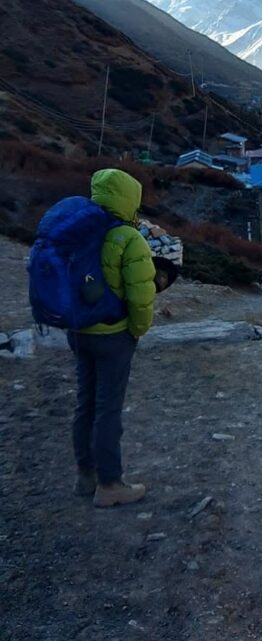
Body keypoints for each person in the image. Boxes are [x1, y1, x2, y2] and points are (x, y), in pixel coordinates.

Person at [68, 169, 156, 508]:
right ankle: (110, 485)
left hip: (78, 331)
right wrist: (137, 328)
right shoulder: (128, 237)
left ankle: (85, 476)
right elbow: (140, 295)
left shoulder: (75, 232)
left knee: (84, 402)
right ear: (128, 198)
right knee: (108, 408)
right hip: (112, 336)